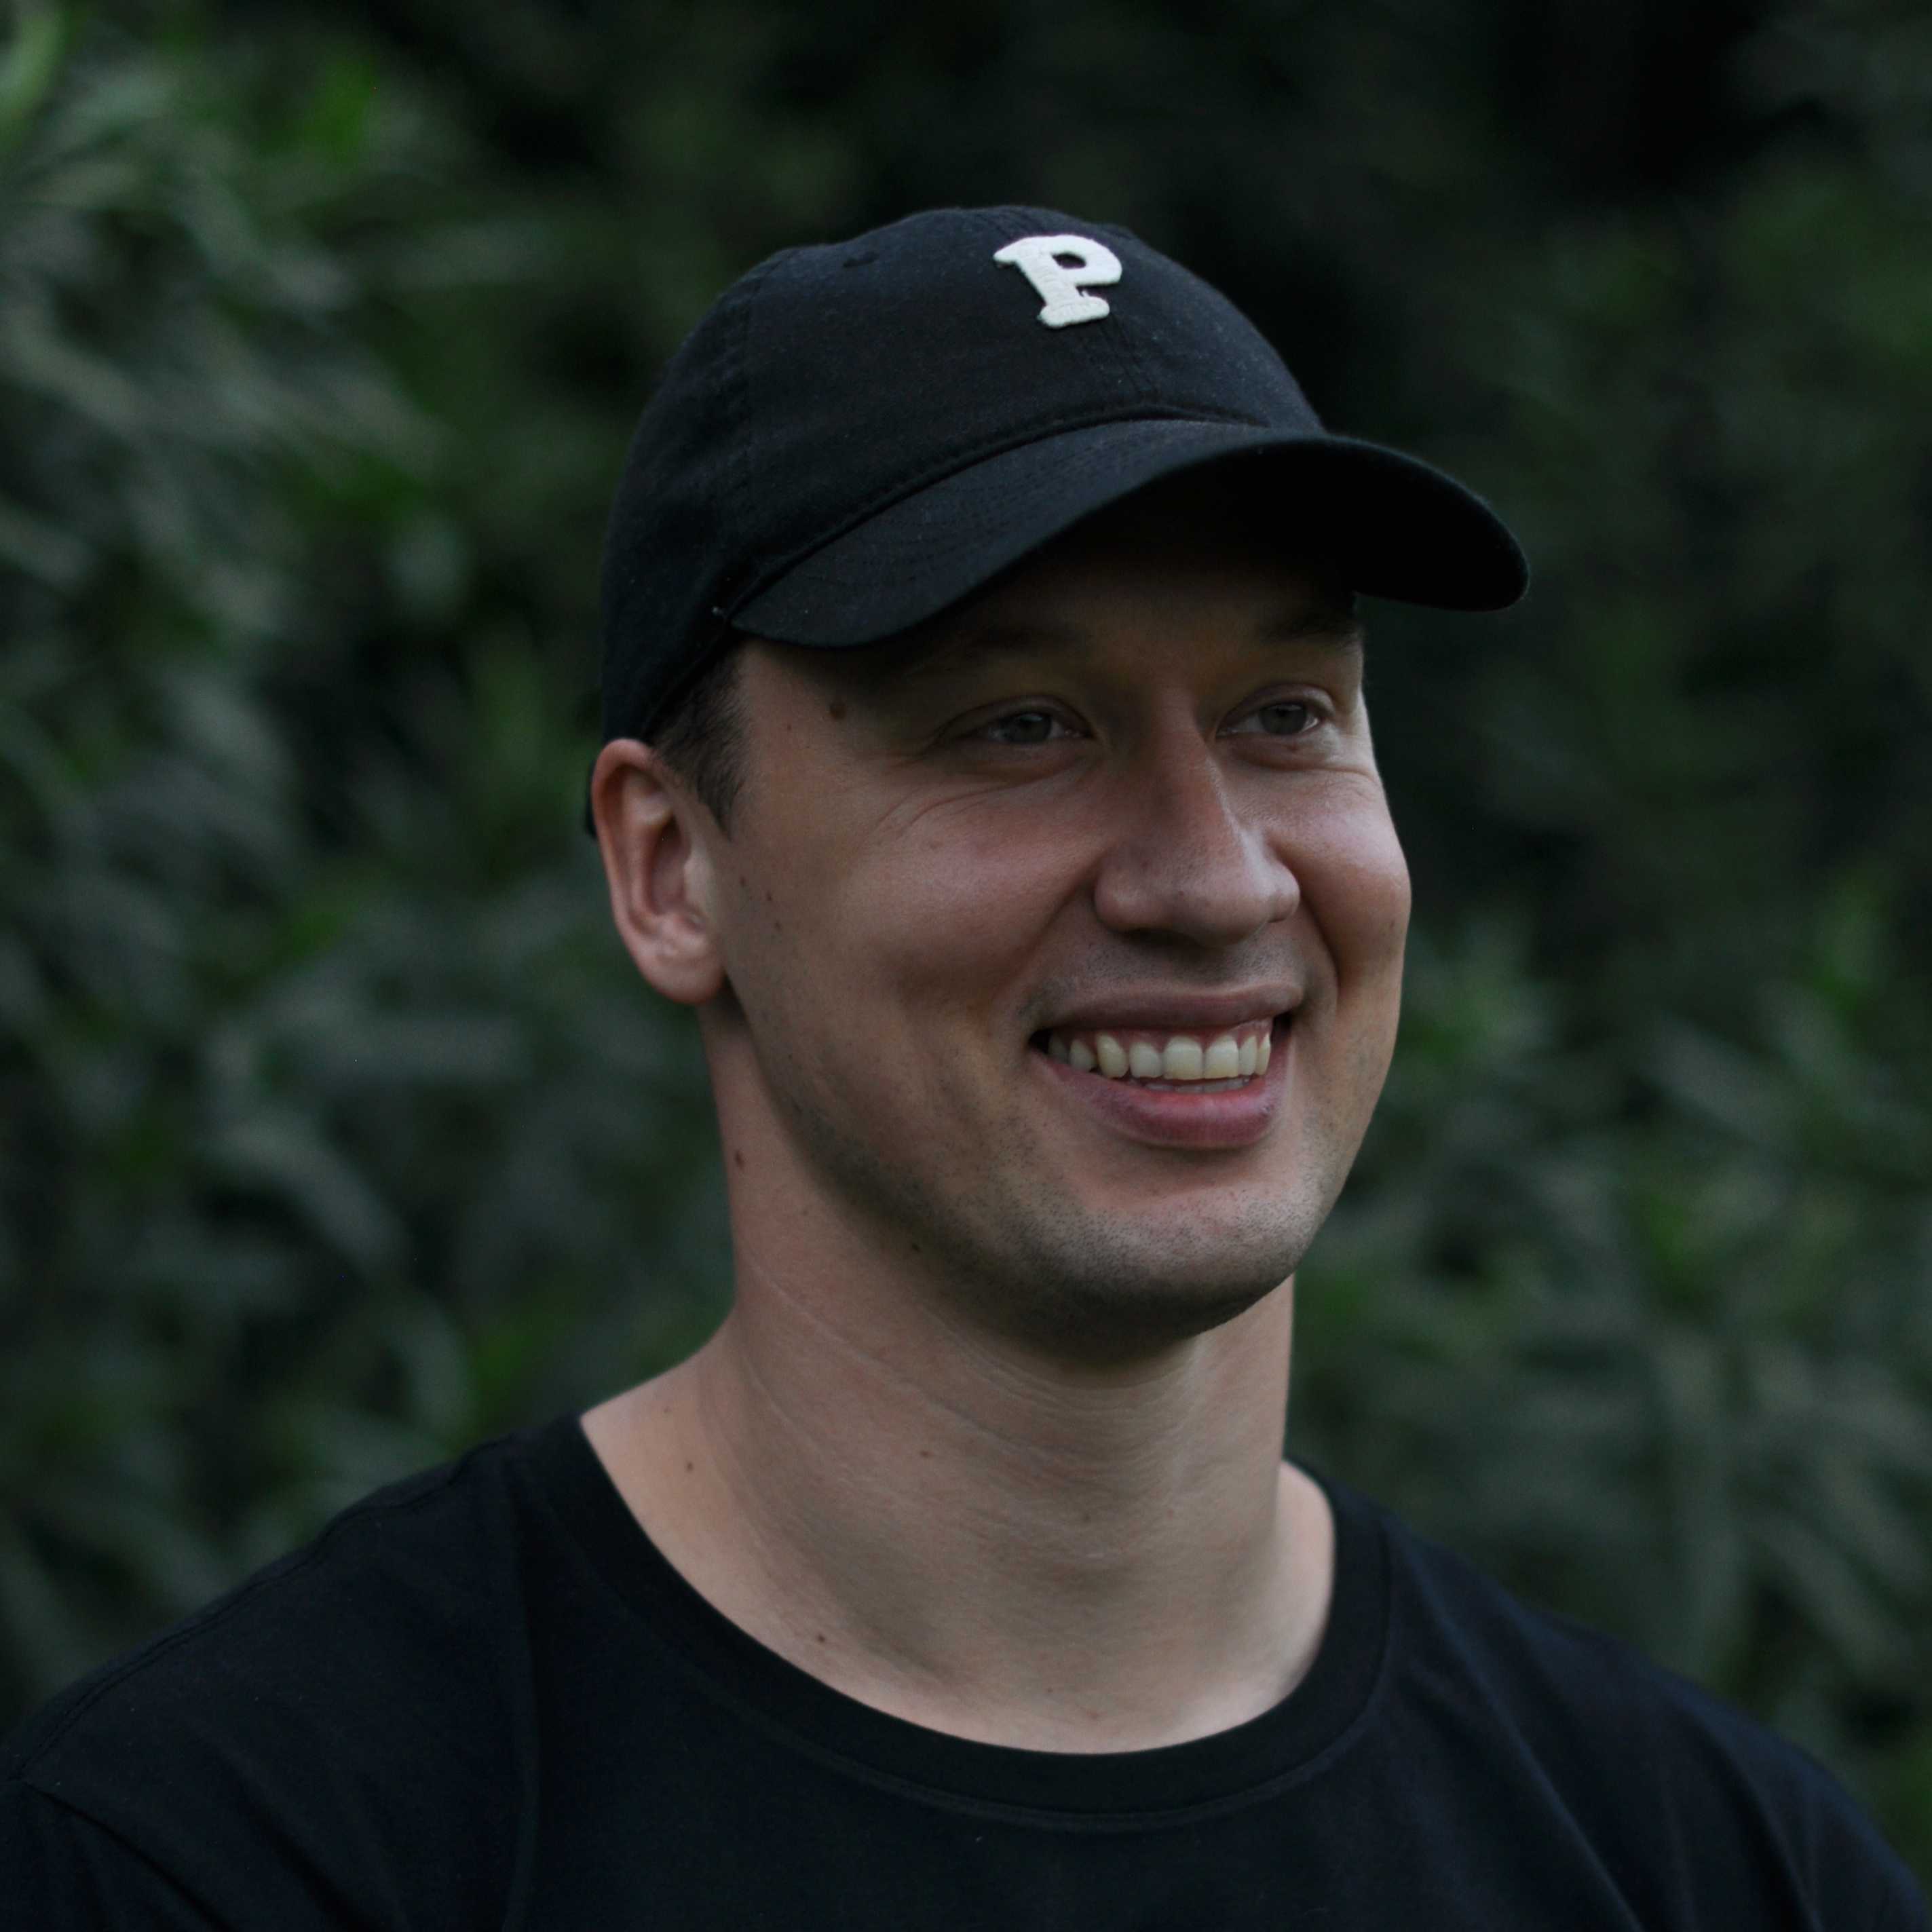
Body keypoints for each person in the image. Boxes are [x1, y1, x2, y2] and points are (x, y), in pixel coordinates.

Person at [3, 204, 1925, 1930]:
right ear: (672, 870)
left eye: (1285, 713)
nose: (1213, 877)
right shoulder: (230, 1857)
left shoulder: (1719, 1869)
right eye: (1018, 724)